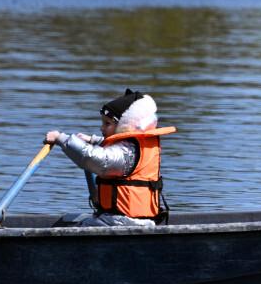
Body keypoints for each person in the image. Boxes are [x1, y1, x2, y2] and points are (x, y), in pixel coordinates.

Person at [45, 89, 173, 226]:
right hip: (123, 220)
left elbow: (93, 158)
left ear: (125, 126)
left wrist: (61, 138)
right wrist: (92, 140)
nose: (102, 128)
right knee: (73, 221)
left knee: (73, 227)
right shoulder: (132, 146)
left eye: (107, 124)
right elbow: (114, 150)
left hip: (124, 223)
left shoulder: (127, 152)